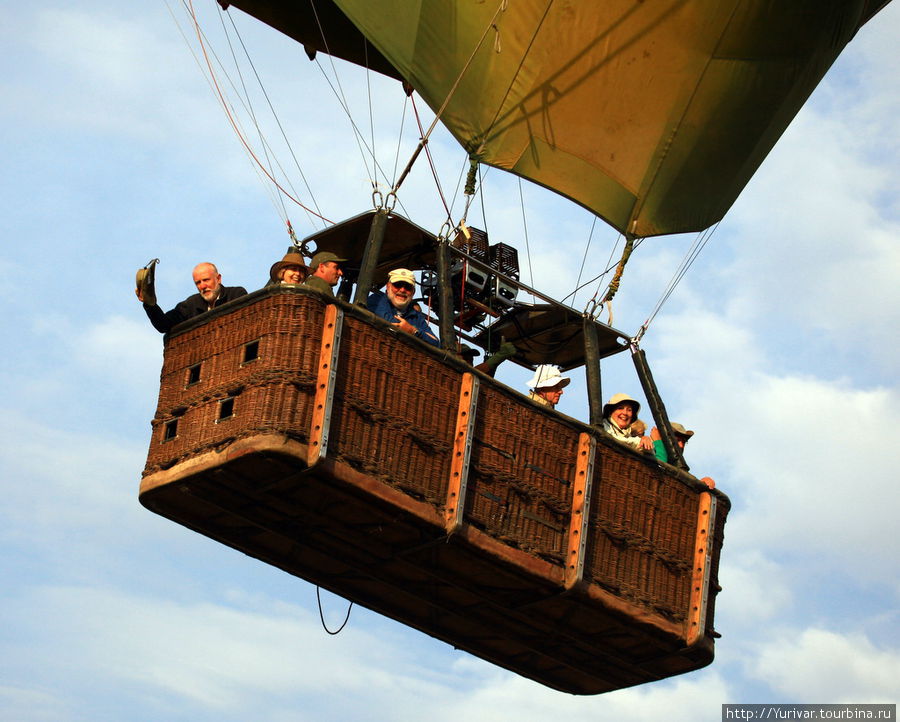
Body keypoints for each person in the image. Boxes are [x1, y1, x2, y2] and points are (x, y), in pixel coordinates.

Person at [137, 262, 247, 334]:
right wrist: (150, 304)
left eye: (206, 280)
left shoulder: (236, 294)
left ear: (218, 279)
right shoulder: (191, 304)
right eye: (198, 283)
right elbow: (164, 325)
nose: (202, 286)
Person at [366, 268, 440, 347]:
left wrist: (413, 331)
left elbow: (436, 343)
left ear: (413, 292)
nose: (402, 290)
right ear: (388, 287)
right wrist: (416, 333)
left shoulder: (416, 315)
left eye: (407, 287)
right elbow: (391, 324)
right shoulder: (377, 299)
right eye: (397, 285)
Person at [650, 422, 716, 487]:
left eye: (684, 442)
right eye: (677, 440)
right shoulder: (648, 449)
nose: (681, 446)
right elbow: (656, 473)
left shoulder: (679, 466)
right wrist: (658, 442)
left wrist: (703, 483)